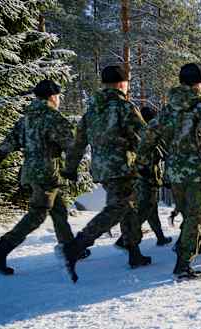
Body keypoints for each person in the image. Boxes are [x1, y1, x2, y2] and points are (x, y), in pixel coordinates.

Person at [138, 63, 201, 279]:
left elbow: (148, 135)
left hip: (175, 173)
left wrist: (142, 159)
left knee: (191, 216)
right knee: (199, 217)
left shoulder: (169, 109)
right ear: (199, 84)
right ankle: (183, 264)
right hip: (199, 173)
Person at [62, 66, 151, 283]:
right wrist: (148, 161)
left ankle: (134, 253)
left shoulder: (92, 111)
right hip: (122, 167)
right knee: (117, 208)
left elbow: (77, 143)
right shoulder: (123, 107)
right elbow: (144, 137)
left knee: (128, 208)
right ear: (122, 83)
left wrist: (70, 168)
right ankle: (78, 244)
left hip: (102, 169)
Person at [0, 80, 89, 275]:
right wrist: (72, 166)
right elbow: (71, 145)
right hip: (47, 173)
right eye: (58, 96)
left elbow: (9, 142)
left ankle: (69, 247)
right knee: (37, 214)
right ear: (52, 97)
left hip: (31, 171)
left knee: (59, 209)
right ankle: (2, 249)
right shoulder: (53, 117)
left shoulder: (27, 118)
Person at [114, 106, 172, 249]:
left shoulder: (140, 134)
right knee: (145, 209)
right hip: (146, 178)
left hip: (145, 177)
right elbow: (154, 156)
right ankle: (125, 238)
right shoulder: (146, 136)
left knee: (152, 209)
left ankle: (160, 237)